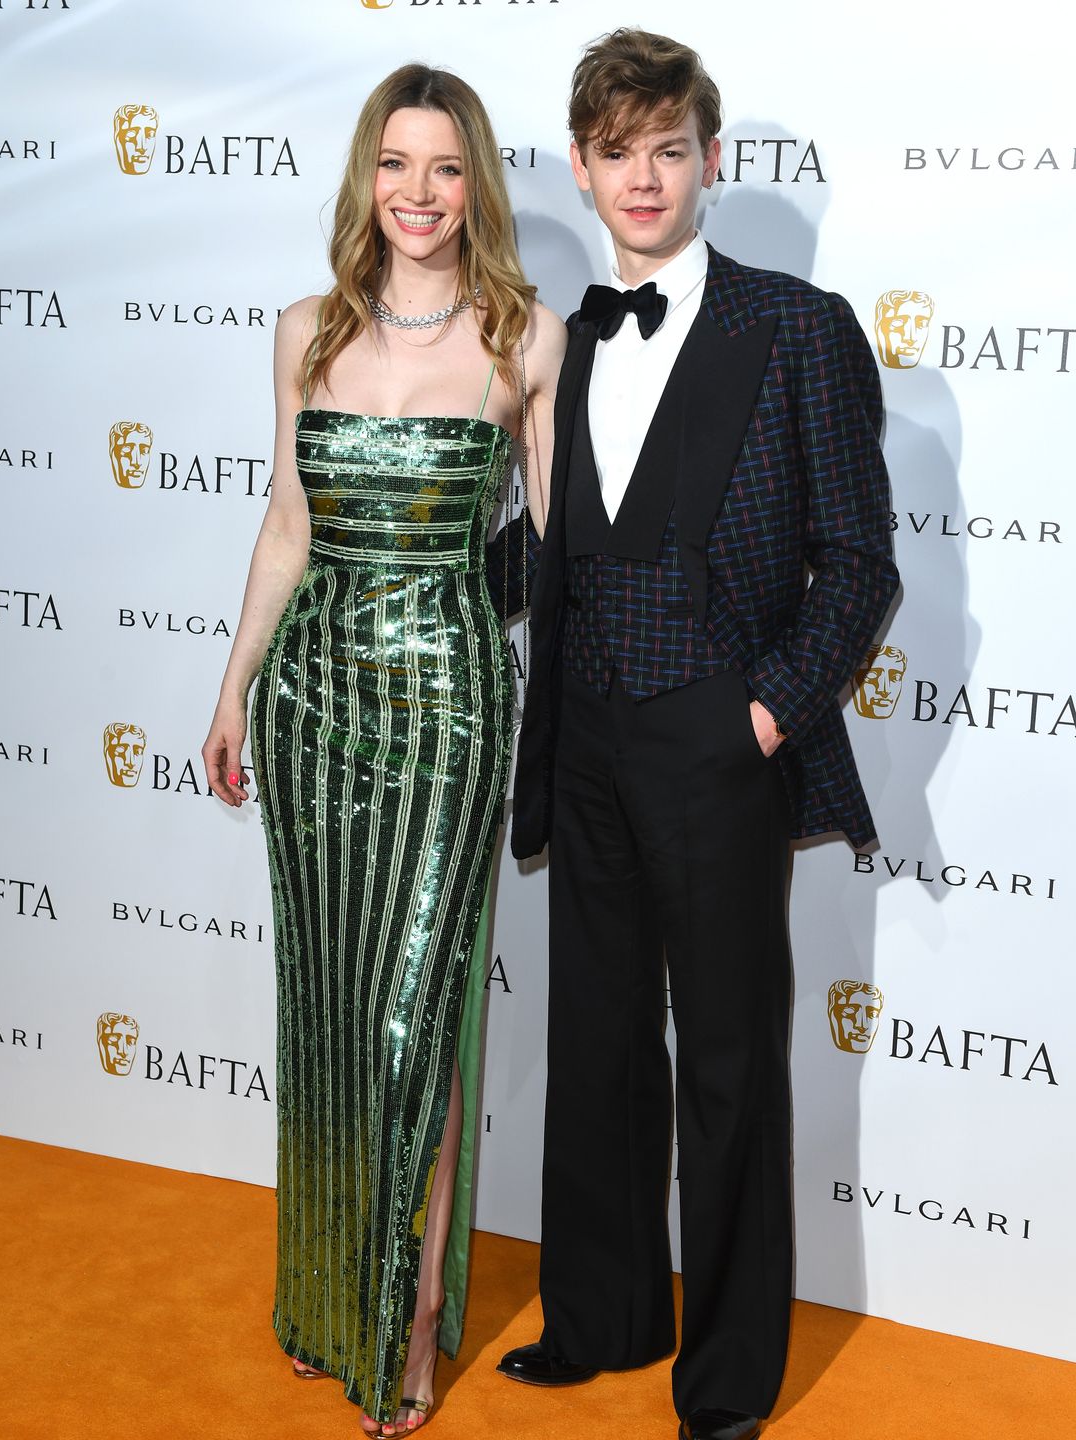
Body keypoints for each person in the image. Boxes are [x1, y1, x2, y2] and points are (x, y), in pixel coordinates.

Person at [497, 29, 898, 1440]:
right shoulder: (555, 335)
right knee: (597, 1035)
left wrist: (766, 714)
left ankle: (725, 1381)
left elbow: (859, 565)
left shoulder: (795, 326)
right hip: (588, 732)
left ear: (712, 161)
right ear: (582, 167)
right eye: (619, 151)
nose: (646, 176)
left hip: (717, 741)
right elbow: (549, 547)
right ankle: (601, 1318)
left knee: (727, 1058)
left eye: (672, 148)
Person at [202, 64, 564, 1437]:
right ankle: (321, 1293)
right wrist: (237, 686)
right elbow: (288, 525)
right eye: (395, 165)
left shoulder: (527, 336)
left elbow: (561, 545)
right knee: (333, 1005)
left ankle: (408, 1315)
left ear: (479, 184)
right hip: (309, 706)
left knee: (419, 1015)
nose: (419, 194)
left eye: (447, 167)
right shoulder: (304, 330)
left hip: (450, 710)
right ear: (367, 177)